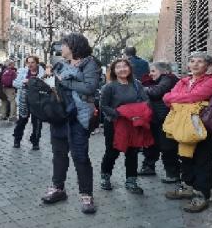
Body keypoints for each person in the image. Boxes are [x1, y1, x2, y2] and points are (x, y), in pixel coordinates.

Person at [41, 33, 102, 214]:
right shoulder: (60, 64)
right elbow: (53, 86)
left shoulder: (90, 64)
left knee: (80, 156)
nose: (61, 48)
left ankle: (86, 194)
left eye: (64, 44)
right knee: (59, 153)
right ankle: (58, 188)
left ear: (74, 46)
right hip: (60, 115)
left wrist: (65, 83)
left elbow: (90, 88)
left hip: (78, 116)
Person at [164, 52, 212, 213]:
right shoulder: (183, 81)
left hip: (203, 125)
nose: (195, 64)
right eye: (192, 61)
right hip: (184, 126)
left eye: (200, 61)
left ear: (207, 65)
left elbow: (197, 95)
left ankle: (202, 195)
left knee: (202, 160)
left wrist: (179, 99)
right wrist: (185, 99)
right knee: (186, 157)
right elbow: (166, 98)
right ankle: (187, 187)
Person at [98, 58, 149, 194]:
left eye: (125, 66)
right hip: (114, 123)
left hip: (133, 123)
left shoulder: (137, 84)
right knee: (112, 151)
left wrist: (138, 114)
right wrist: (121, 113)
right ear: (114, 71)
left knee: (132, 152)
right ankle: (105, 177)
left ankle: (131, 181)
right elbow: (103, 106)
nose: (122, 69)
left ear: (130, 68)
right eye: (118, 67)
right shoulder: (109, 87)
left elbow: (145, 101)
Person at [141, 61, 180, 184]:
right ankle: (149, 167)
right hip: (156, 118)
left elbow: (156, 92)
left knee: (167, 147)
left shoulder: (168, 78)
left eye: (153, 71)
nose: (150, 74)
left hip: (165, 119)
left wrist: (142, 89)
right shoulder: (160, 80)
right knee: (152, 144)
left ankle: (173, 174)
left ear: (163, 71)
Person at [13, 55, 46, 150]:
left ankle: (35, 142)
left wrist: (32, 82)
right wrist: (23, 83)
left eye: (32, 62)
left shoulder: (43, 73)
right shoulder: (23, 71)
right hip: (25, 100)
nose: (30, 65)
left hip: (38, 101)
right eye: (28, 62)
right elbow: (15, 83)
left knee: (37, 122)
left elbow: (46, 86)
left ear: (37, 63)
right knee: (22, 120)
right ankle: (17, 139)